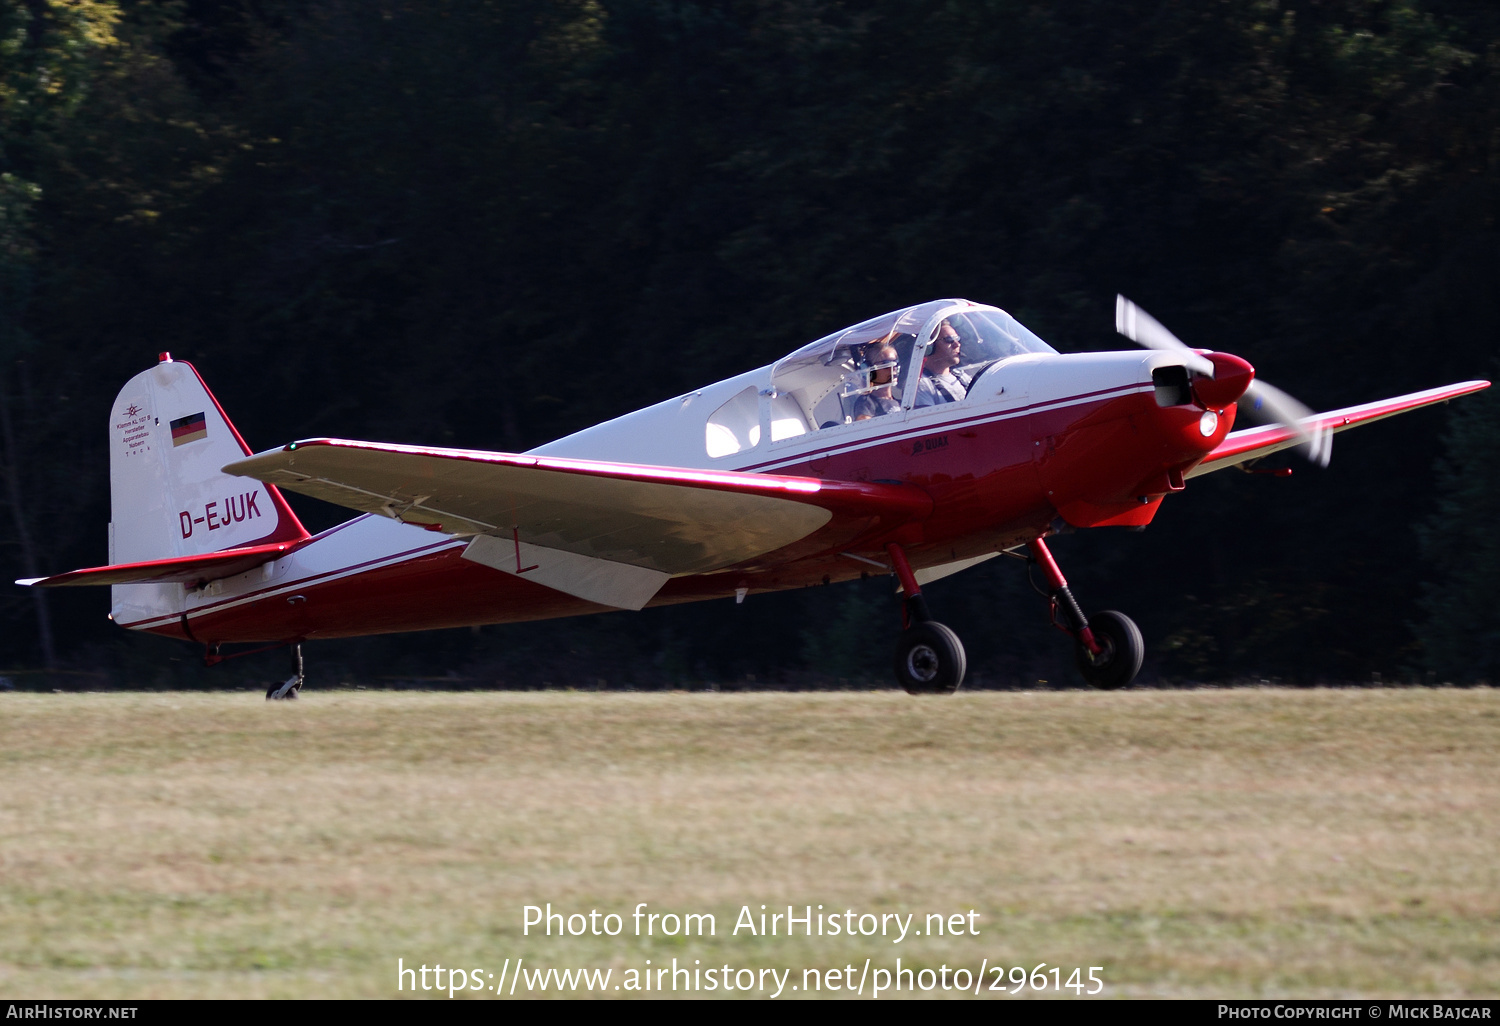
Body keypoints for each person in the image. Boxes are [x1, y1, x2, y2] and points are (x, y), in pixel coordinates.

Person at [914, 321, 971, 407]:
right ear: (929, 347)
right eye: (949, 340)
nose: (957, 344)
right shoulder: (921, 385)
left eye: (957, 339)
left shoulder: (961, 376)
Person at [851, 342, 901, 420]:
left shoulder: (902, 402)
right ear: (869, 368)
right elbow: (867, 429)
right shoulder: (866, 403)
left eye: (895, 363)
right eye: (887, 363)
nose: (894, 367)